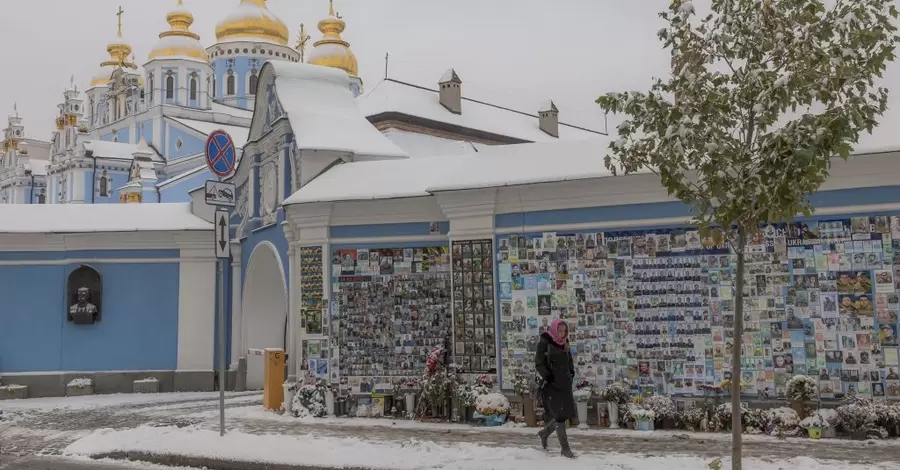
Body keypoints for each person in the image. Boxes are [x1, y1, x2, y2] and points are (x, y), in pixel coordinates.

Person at [535, 319, 576, 458]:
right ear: (554, 329)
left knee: (562, 416)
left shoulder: (565, 342)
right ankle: (565, 448)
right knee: (559, 416)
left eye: (564, 331)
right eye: (560, 331)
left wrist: (571, 372)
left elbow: (568, 359)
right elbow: (539, 363)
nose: (562, 333)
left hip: (564, 383)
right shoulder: (545, 342)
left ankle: (544, 433)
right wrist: (548, 376)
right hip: (552, 384)